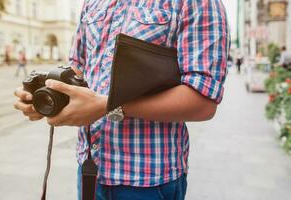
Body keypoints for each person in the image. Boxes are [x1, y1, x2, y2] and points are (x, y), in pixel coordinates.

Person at [14, 0, 230, 199]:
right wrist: (47, 95)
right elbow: (78, 66)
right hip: (90, 169)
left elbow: (203, 101)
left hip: (149, 180)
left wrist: (107, 106)